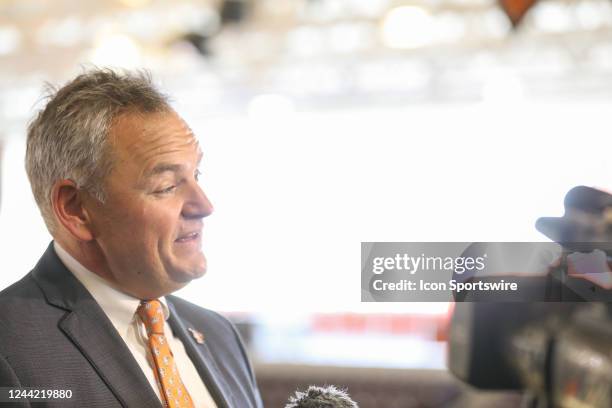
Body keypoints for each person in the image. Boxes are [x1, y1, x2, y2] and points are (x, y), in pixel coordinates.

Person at [0, 69, 263, 408]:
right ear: (76, 208)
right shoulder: (10, 348)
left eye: (196, 175)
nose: (205, 206)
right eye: (167, 186)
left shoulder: (219, 335)